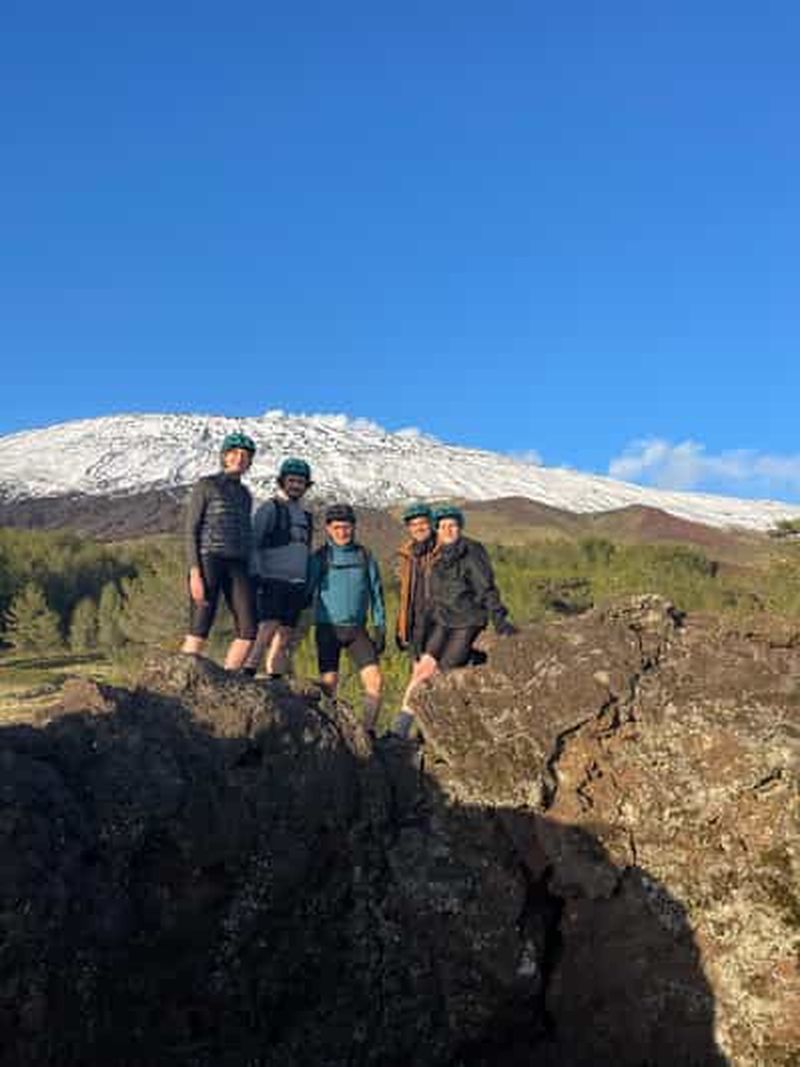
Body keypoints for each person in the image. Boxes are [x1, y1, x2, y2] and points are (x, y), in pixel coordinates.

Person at [391, 504, 517, 738]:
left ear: (460, 528)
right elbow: (432, 601)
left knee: (443, 675)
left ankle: (430, 735)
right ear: (437, 530)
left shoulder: (472, 551)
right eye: (443, 526)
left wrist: (499, 619)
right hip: (442, 621)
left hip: (467, 621)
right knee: (421, 671)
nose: (448, 530)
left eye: (453, 525)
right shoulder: (438, 561)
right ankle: (399, 730)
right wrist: (417, 634)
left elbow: (486, 587)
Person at [306, 503, 386, 736]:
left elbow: (376, 592)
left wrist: (380, 626)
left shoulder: (364, 555)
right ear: (329, 529)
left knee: (376, 682)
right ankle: (331, 734)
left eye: (347, 527)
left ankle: (367, 734)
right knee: (329, 686)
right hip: (327, 629)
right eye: (337, 527)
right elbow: (307, 590)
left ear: (354, 527)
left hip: (357, 631)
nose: (342, 532)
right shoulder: (320, 557)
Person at [181, 432, 258, 670]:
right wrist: (195, 573)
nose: (240, 458)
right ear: (224, 456)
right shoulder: (206, 485)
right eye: (234, 453)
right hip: (208, 559)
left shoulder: (245, 495)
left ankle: (226, 682)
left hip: (238, 563)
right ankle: (175, 684)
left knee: (248, 630)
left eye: (245, 455)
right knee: (199, 627)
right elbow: (191, 529)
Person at [244, 457, 314, 679]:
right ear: (282, 481)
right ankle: (248, 671)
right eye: (292, 480)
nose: (296, 485)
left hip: (296, 582)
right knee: (268, 627)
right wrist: (256, 574)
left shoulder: (306, 516)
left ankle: (275, 678)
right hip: (272, 578)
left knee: (286, 633)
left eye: (301, 482)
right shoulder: (270, 508)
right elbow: (254, 542)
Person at [395, 502, 436, 657]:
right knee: (418, 672)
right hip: (415, 625)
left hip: (440, 624)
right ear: (409, 528)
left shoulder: (443, 550)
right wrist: (401, 625)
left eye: (423, 523)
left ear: (431, 523)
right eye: (413, 524)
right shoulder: (405, 555)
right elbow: (405, 594)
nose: (419, 528)